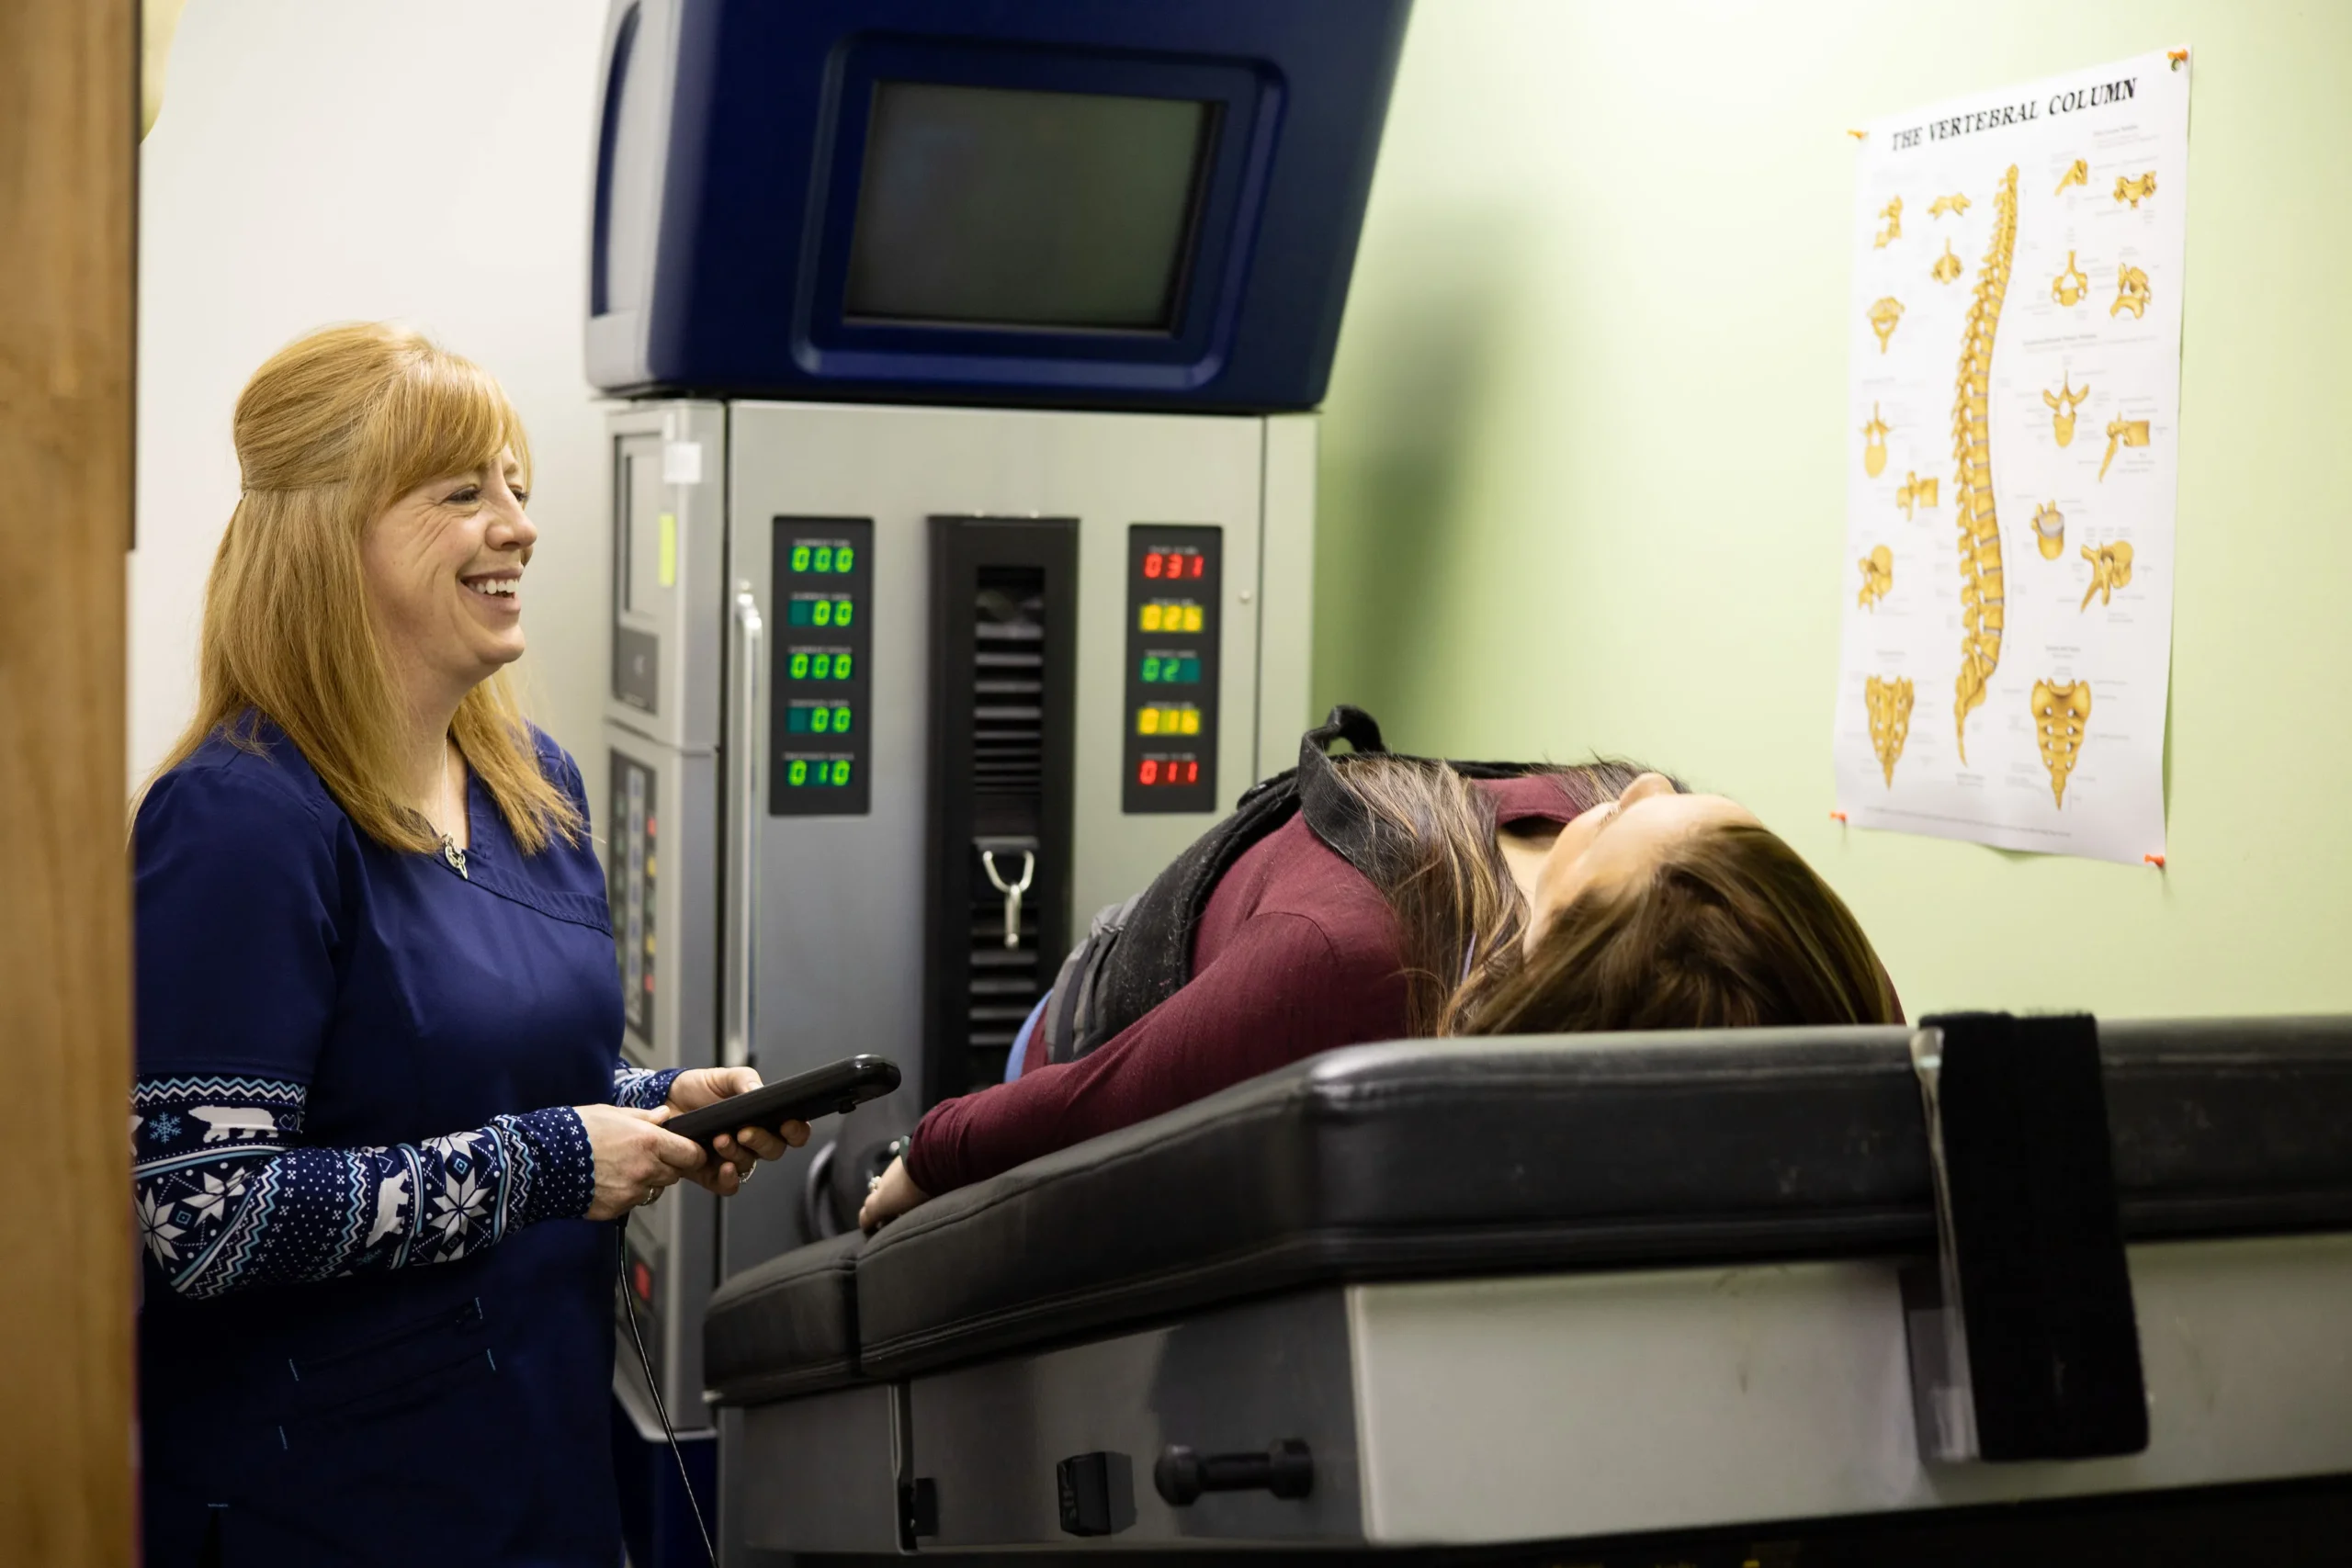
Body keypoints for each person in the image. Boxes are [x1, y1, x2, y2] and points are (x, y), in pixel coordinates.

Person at [130, 323, 800, 1566]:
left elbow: (469, 1084)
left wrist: (658, 1109)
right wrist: (552, 1160)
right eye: (462, 493)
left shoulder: (528, 785)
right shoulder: (238, 820)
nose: (519, 525)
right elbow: (200, 1213)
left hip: (539, 1474)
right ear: (332, 536)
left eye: (517, 488)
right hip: (327, 1507)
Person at [860, 710, 1897, 1229]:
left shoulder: (1731, 958)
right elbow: (1077, 1103)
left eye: (1624, 819)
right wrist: (911, 1175)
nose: (1638, 785)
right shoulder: (1339, 961)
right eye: (1664, 803)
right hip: (1101, 1015)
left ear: (1571, 947)